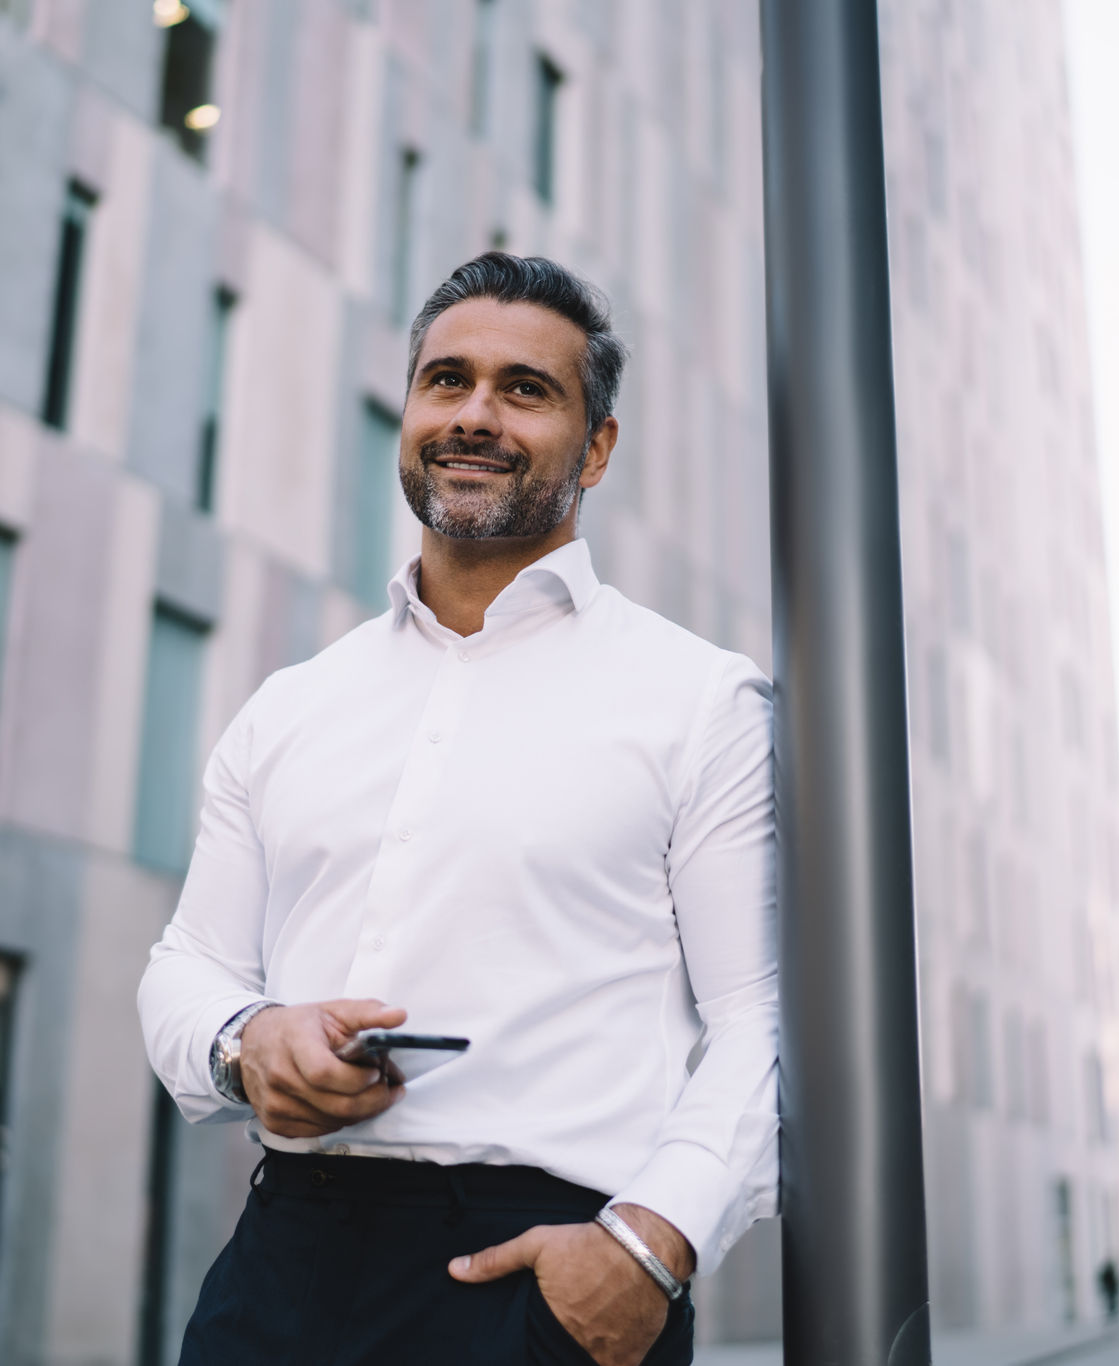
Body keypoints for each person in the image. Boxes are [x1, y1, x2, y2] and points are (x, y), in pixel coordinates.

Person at [138, 252, 780, 1366]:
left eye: (524, 389)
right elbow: (185, 962)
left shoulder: (699, 699)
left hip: (545, 1269)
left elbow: (759, 1018)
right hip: (282, 1259)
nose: (474, 414)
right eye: (446, 380)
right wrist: (252, 1045)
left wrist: (650, 1241)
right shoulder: (292, 706)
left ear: (597, 446)